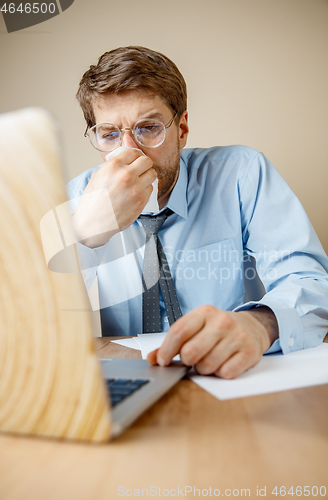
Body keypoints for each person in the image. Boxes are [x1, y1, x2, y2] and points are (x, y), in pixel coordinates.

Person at [67, 46, 328, 379]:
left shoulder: (241, 175)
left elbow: (311, 281)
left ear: (182, 129)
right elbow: (28, 325)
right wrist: (85, 236)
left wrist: (259, 324)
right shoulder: (74, 200)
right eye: (109, 134)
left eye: (148, 127)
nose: (129, 152)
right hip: (125, 384)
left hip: (231, 379)